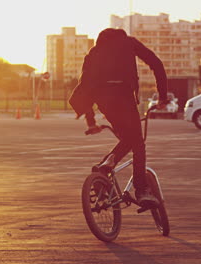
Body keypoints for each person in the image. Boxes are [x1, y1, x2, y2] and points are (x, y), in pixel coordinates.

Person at [69, 28, 168, 208]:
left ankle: (104, 167)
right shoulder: (129, 42)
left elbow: (85, 86)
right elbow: (156, 63)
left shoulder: (94, 52)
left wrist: (91, 122)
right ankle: (142, 189)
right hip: (123, 95)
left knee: (128, 138)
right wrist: (162, 96)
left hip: (104, 100)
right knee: (138, 142)